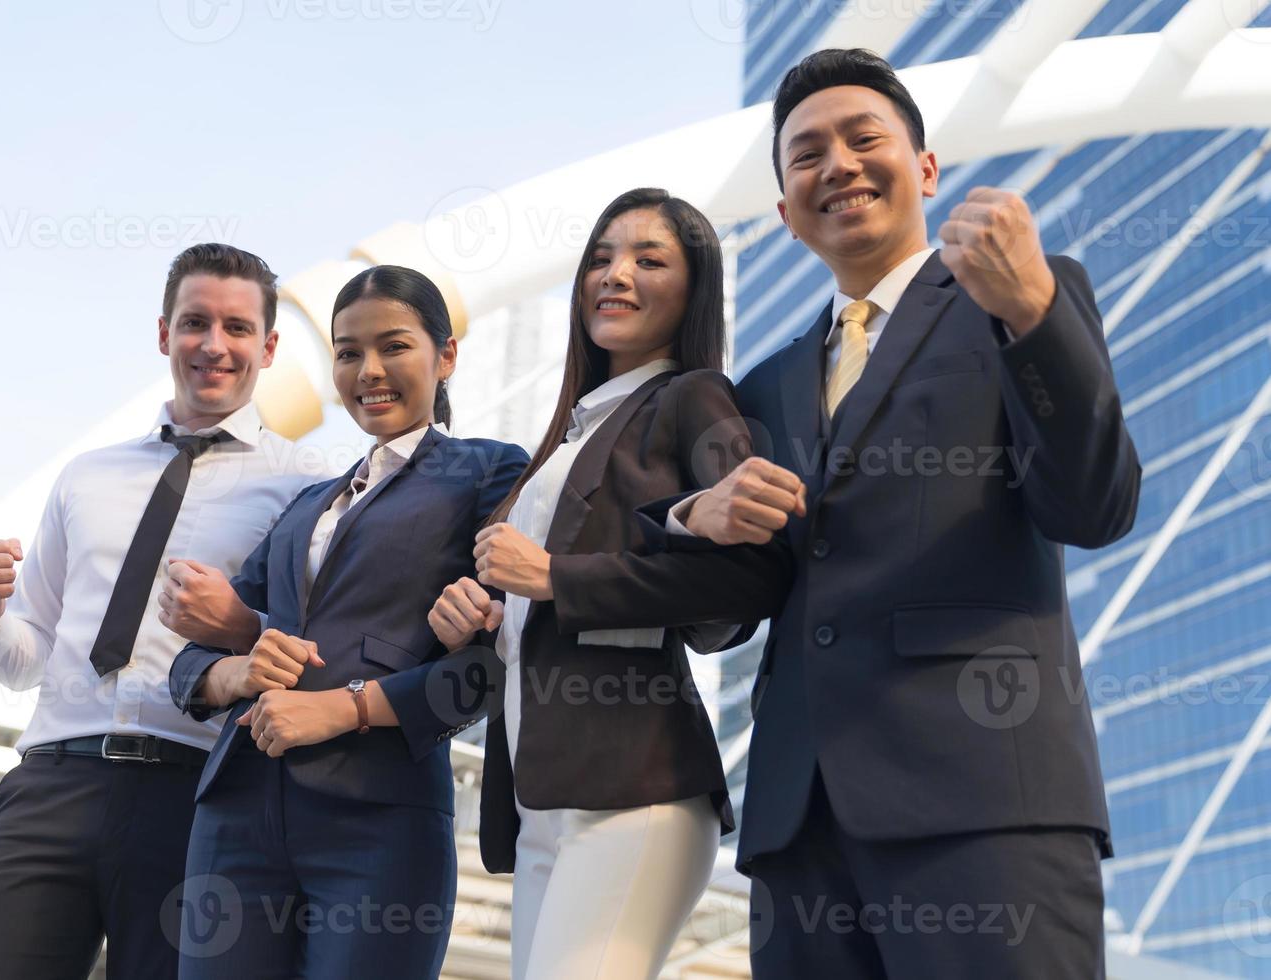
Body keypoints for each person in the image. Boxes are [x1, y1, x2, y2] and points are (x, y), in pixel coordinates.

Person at [479, 49, 1140, 979]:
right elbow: (721, 618)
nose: (837, 163)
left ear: (925, 168)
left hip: (983, 799)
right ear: (786, 214)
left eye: (864, 139)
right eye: (806, 155)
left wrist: (1033, 312)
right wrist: (690, 518)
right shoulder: (767, 385)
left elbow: (1096, 504)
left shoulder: (1021, 296)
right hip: (799, 827)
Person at [427, 188, 787, 980]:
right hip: (539, 802)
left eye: (648, 259)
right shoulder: (565, 435)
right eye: (600, 257)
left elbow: (749, 582)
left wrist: (556, 576)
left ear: (694, 290)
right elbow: (535, 613)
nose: (614, 275)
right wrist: (482, 614)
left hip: (636, 790)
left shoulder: (692, 399)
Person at [0, 243, 322, 979]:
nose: (214, 345)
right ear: (163, 333)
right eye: (195, 323)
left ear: (269, 347)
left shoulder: (306, 487)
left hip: (198, 796)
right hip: (54, 783)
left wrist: (240, 627)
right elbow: (30, 657)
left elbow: (316, 649)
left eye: (238, 328)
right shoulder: (87, 476)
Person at [165, 265, 528, 979]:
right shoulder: (304, 508)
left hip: (379, 819)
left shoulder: (489, 473)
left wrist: (344, 708)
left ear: (445, 356)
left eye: (394, 347)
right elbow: (189, 662)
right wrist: (238, 668)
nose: (369, 371)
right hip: (237, 814)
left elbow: (491, 668)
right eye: (348, 351)